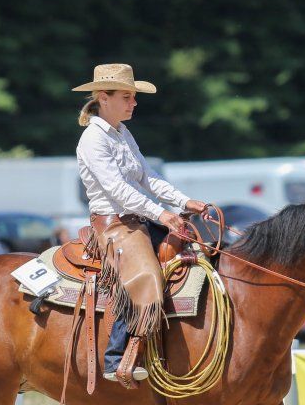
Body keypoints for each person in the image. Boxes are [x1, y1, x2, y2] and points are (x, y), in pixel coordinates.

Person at [73, 63, 208, 385]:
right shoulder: (93, 139)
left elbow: (148, 177)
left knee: (196, 249)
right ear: (103, 97)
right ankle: (117, 357)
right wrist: (161, 214)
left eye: (133, 97)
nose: (133, 103)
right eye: (127, 97)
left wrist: (184, 201)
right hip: (113, 224)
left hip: (138, 218)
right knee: (144, 274)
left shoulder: (122, 132)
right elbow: (117, 189)